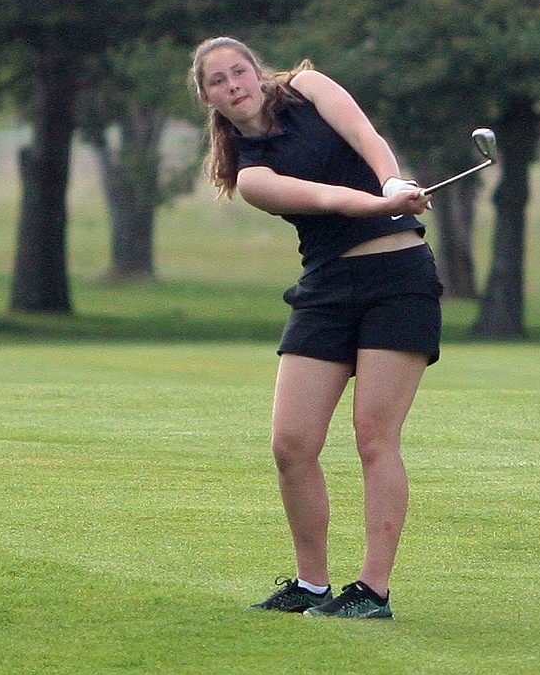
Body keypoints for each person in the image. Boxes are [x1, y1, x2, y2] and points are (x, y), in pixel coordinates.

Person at [189, 37, 442, 619]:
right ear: (208, 97)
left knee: (374, 438)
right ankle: (311, 586)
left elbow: (368, 140)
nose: (234, 85)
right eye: (220, 80)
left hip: (397, 278)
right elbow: (323, 198)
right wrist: (380, 203)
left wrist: (391, 185)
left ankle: (372, 592)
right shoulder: (250, 174)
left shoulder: (310, 87)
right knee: (291, 444)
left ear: (257, 72)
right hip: (326, 290)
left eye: (240, 71)